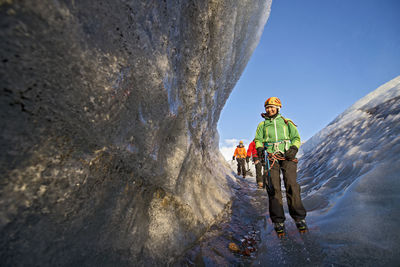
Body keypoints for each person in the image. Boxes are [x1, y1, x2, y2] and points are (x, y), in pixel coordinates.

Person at [254, 97, 307, 234]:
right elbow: (258, 140)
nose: (269, 109)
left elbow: (296, 138)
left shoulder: (287, 122)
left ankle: (299, 217)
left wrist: (294, 149)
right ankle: (278, 220)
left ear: (278, 108)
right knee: (273, 188)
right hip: (270, 157)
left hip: (287, 156)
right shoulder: (262, 125)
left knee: (291, 185)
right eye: (267, 107)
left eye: (272, 107)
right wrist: (260, 149)